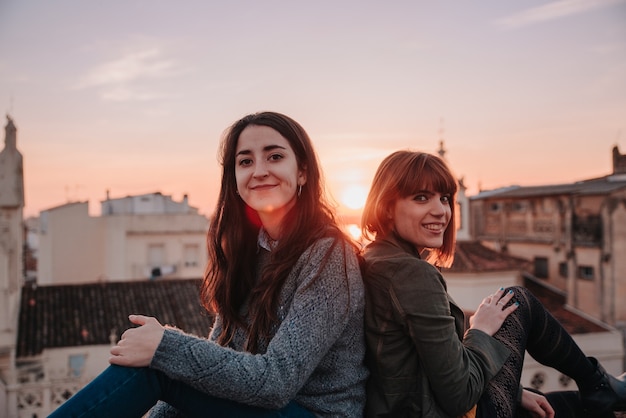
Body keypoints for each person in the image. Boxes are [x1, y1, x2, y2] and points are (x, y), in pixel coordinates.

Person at [48, 111, 368, 418]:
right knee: (162, 363)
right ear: (234, 177)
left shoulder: (329, 256)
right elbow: (208, 370)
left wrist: (164, 345)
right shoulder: (248, 252)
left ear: (303, 172)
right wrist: (164, 354)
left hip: (312, 413)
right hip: (259, 410)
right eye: (245, 161)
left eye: (275, 156)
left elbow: (276, 382)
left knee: (160, 361)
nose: (259, 170)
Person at [359, 150, 626, 418]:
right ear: (386, 207)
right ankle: (597, 383)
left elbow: (428, 360)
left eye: (444, 198)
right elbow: (460, 396)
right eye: (421, 198)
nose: (440, 211)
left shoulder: (375, 257)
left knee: (558, 405)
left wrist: (515, 392)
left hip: (412, 406)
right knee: (518, 301)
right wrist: (481, 330)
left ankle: (600, 391)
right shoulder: (412, 273)